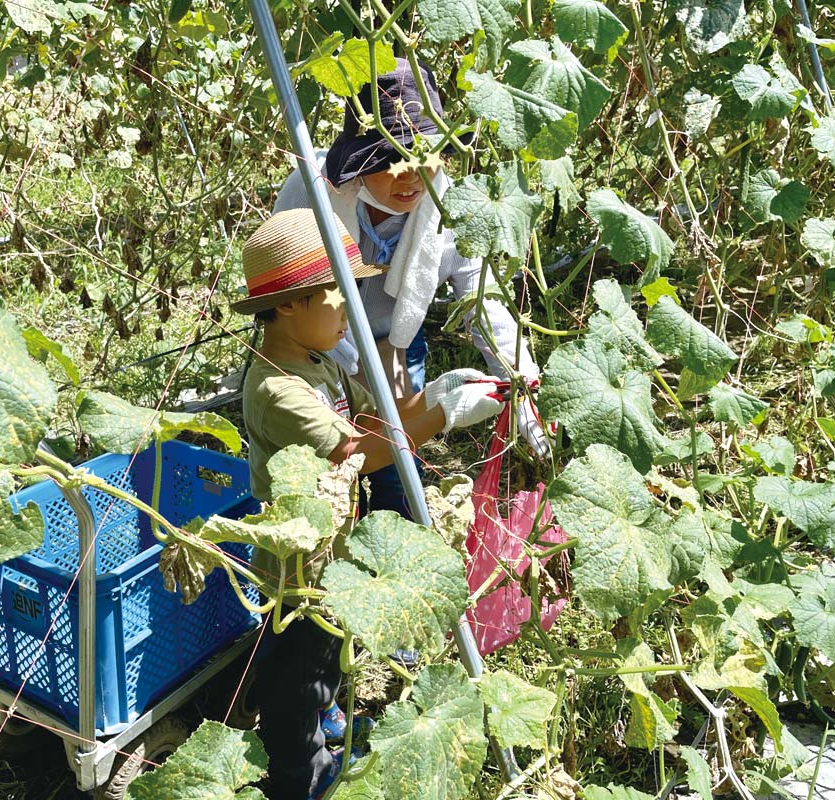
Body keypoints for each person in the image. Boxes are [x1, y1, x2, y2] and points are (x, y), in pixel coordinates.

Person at [233, 208, 505, 799]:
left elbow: (374, 418)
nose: (349, 306)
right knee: (295, 669)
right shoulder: (277, 389)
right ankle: (297, 775)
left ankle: (324, 721)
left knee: (330, 644)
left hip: (334, 541)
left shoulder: (321, 359)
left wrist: (435, 392)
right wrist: (443, 415)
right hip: (297, 557)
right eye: (336, 291)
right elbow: (361, 452)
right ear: (286, 306)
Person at [274, 58, 551, 523]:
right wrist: (314, 347)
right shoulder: (312, 188)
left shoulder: (451, 208)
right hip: (309, 343)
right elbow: (277, 271)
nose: (410, 177)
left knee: (393, 455)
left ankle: (387, 527)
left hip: (392, 339)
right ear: (359, 161)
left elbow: (480, 299)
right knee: (312, 462)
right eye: (389, 161)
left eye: (425, 158)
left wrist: (520, 380)